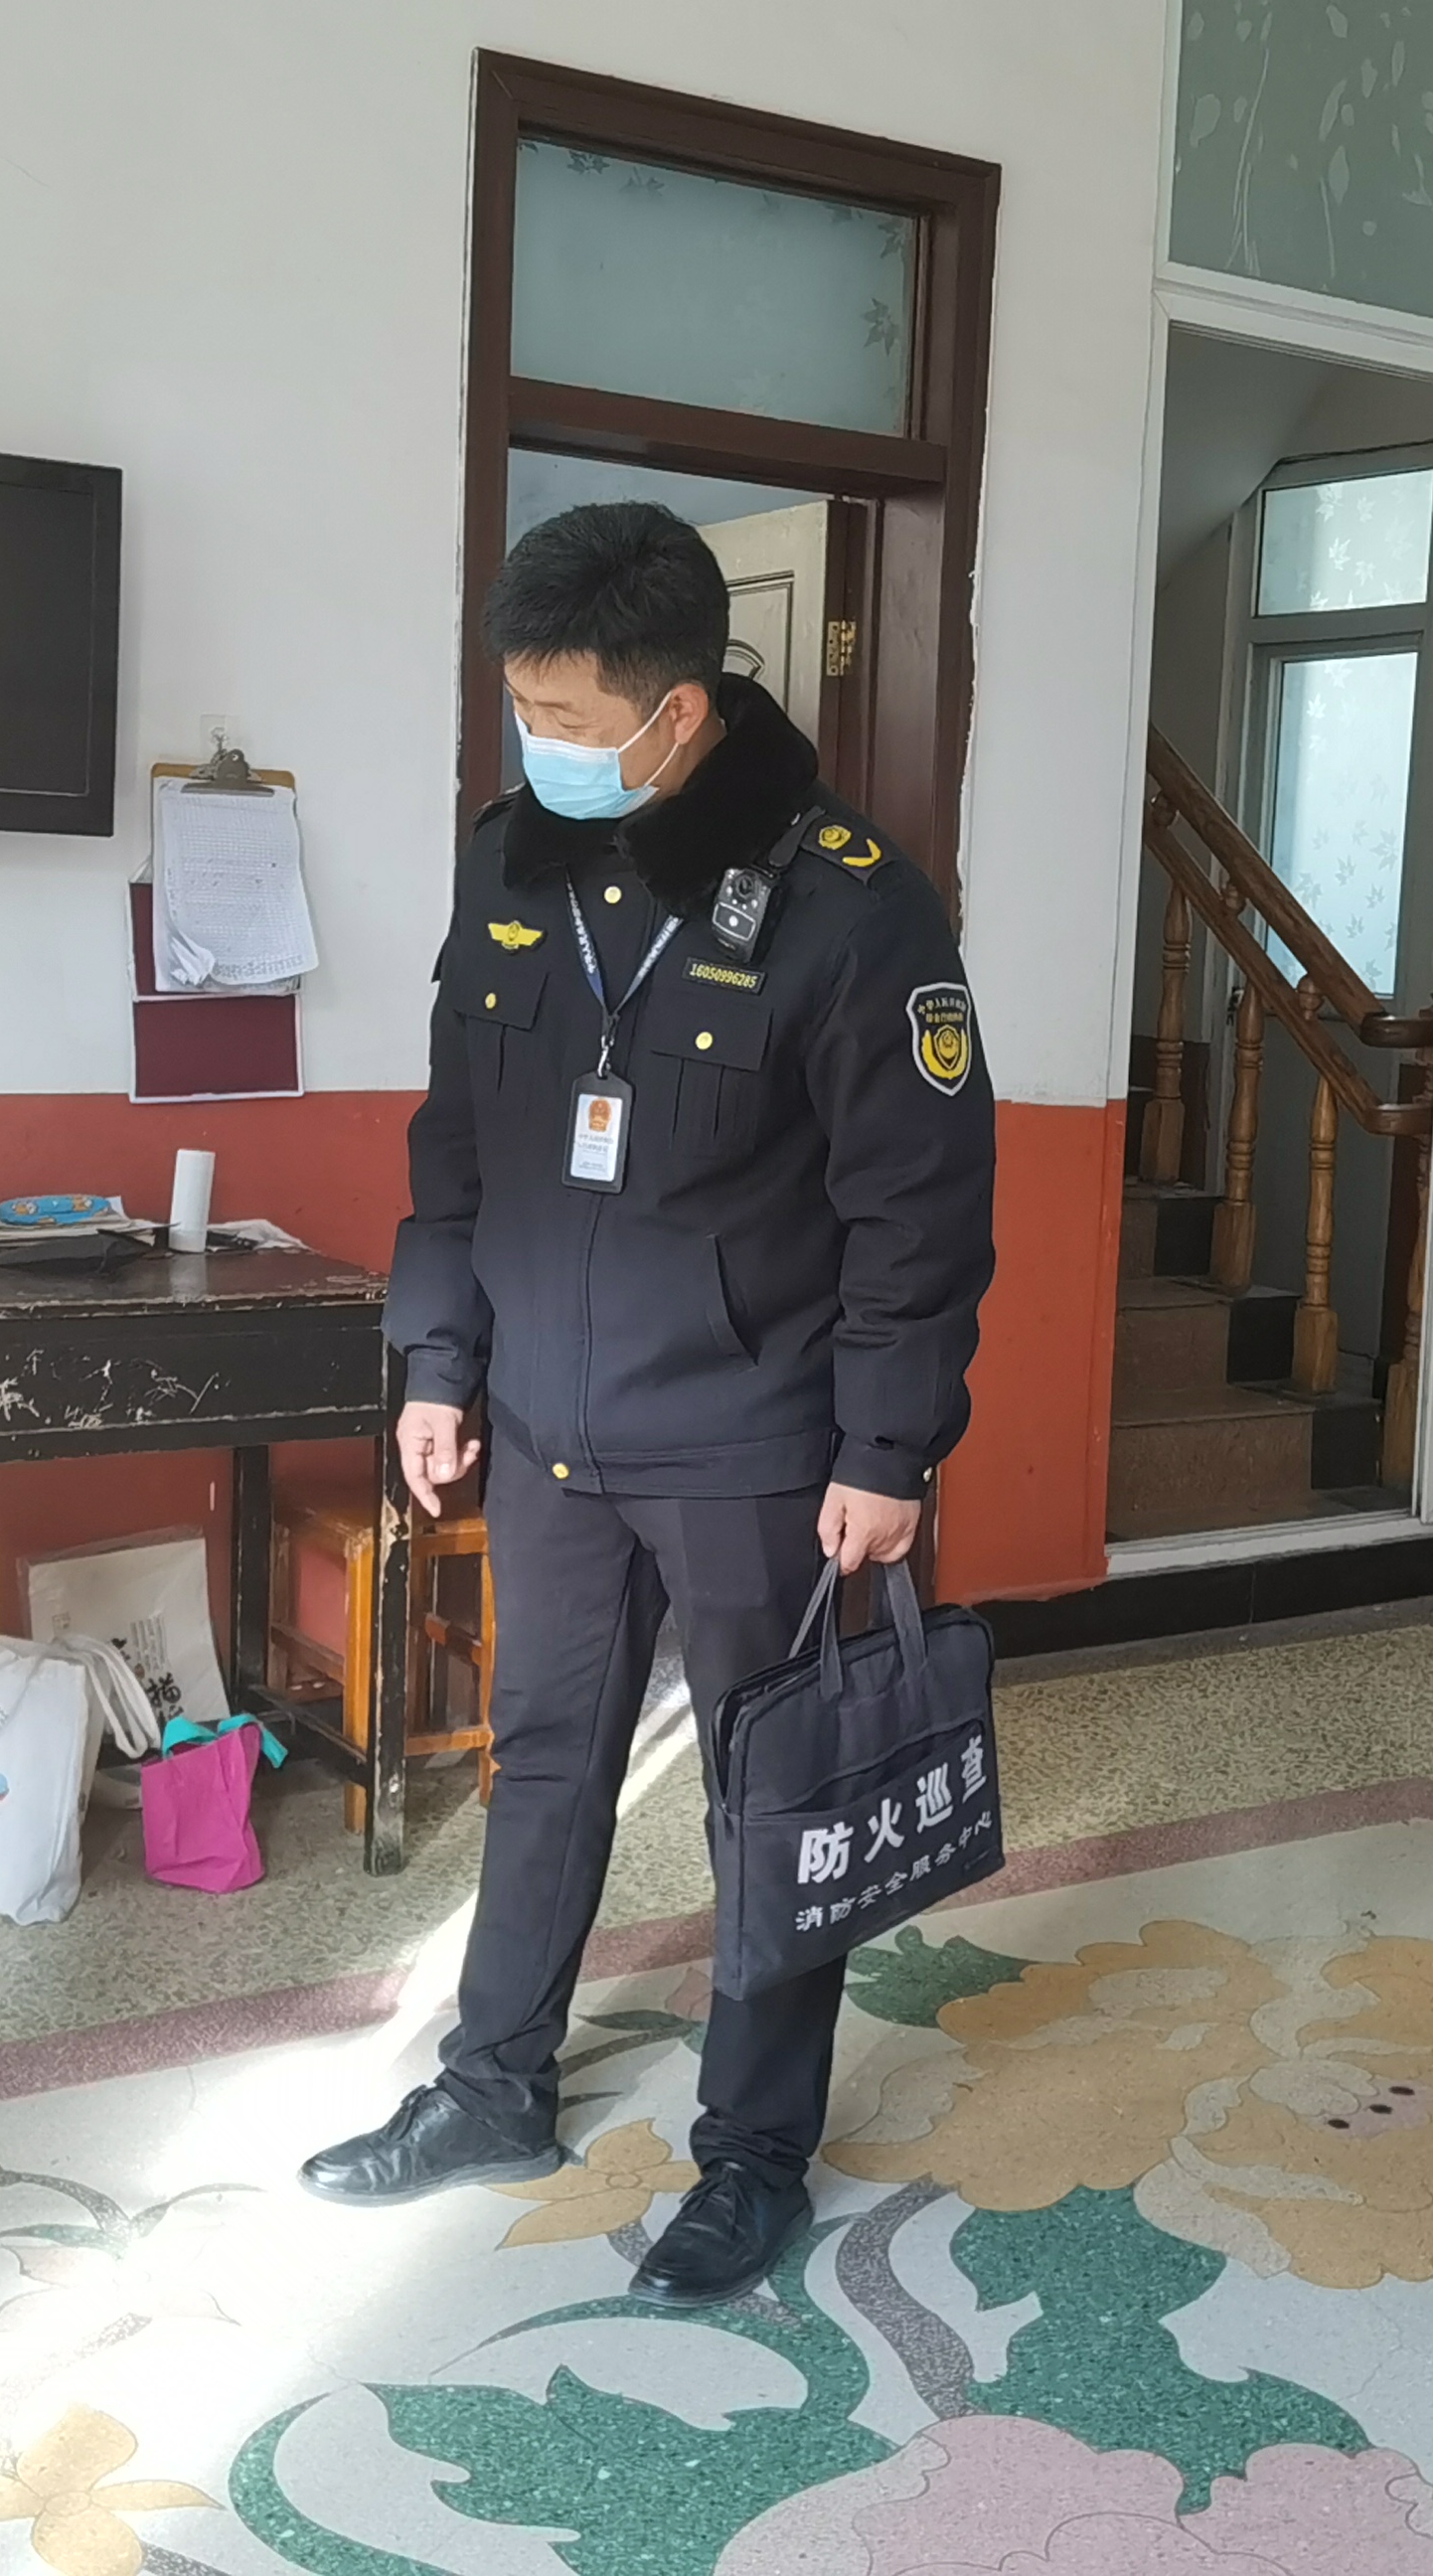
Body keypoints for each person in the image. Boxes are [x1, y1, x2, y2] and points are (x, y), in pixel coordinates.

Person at [303, 502, 996, 2305]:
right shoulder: (512, 860)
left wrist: (888, 1448)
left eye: (567, 713)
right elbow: (457, 1141)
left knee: (770, 1796)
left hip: (756, 1445)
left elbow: (917, 1209)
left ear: (678, 710)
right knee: (543, 1760)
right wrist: (440, 1361)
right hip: (547, 1428)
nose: (537, 740)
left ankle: (753, 2152)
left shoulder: (854, 903)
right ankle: (491, 2088)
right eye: (520, 705)